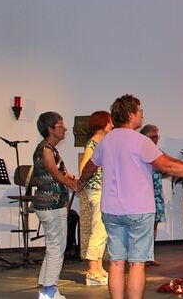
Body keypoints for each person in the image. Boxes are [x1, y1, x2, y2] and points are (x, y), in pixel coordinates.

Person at [80, 94, 183, 299]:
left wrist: (79, 183)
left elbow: (88, 168)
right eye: (140, 112)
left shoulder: (105, 141)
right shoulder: (140, 141)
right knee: (137, 263)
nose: (142, 116)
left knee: (116, 262)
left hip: (111, 210)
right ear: (130, 115)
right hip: (138, 210)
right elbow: (168, 166)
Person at [33, 112, 81, 299]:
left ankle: (45, 288)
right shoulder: (45, 149)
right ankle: (49, 291)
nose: (65, 128)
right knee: (56, 247)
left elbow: (62, 173)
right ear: (50, 128)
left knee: (53, 246)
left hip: (51, 204)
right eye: (61, 125)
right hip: (51, 205)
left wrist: (76, 180)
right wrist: (72, 184)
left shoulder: (50, 149)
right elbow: (54, 172)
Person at [78, 111, 113, 285]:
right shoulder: (94, 143)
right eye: (110, 122)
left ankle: (98, 267)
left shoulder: (101, 143)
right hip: (97, 190)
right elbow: (84, 166)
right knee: (98, 229)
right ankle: (92, 270)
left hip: (103, 191)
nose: (112, 126)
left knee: (103, 230)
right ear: (104, 124)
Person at [139, 124, 164, 266]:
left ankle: (149, 256)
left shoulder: (158, 152)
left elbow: (165, 168)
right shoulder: (139, 150)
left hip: (156, 191)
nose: (155, 139)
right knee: (143, 224)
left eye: (157, 137)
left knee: (154, 223)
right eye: (153, 136)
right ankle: (140, 256)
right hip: (144, 192)